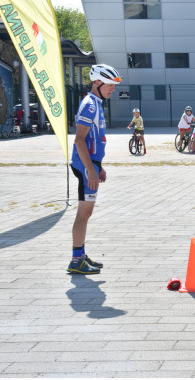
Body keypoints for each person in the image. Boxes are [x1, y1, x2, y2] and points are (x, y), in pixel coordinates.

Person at [68, 64, 122, 274]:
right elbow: (79, 140)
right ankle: (75, 259)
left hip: (90, 164)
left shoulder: (96, 103)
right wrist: (90, 169)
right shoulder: (89, 105)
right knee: (84, 213)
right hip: (84, 166)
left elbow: (94, 141)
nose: (113, 89)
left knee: (86, 213)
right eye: (110, 85)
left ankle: (80, 255)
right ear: (97, 83)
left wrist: (99, 166)